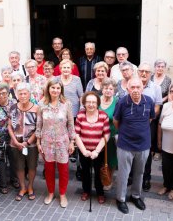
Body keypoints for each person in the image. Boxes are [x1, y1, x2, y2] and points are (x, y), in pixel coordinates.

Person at [114, 78, 155, 214]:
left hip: (143, 145)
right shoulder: (122, 102)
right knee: (123, 174)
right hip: (125, 144)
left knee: (140, 172)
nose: (136, 90)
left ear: (142, 87)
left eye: (138, 87)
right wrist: (127, 132)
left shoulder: (149, 101)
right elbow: (116, 121)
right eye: (133, 87)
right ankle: (120, 199)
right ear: (128, 89)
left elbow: (150, 119)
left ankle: (135, 196)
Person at [36, 79, 75, 208]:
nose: (55, 90)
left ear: (61, 90)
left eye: (58, 88)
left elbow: (70, 123)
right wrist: (38, 141)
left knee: (63, 170)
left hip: (63, 141)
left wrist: (72, 142)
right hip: (47, 142)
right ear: (48, 89)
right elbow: (39, 124)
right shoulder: (41, 104)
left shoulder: (66, 104)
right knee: (49, 169)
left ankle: (63, 194)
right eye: (53, 88)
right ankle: (51, 193)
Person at [75, 92, 110, 204]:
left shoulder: (103, 116)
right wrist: (84, 150)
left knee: (99, 172)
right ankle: (86, 191)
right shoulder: (80, 115)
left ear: (97, 103)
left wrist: (96, 151)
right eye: (88, 102)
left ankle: (100, 193)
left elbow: (106, 135)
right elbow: (76, 134)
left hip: (98, 150)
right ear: (84, 103)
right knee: (85, 172)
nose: (91, 104)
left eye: (93, 102)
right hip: (83, 149)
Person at [8, 83, 39, 202]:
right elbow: (10, 126)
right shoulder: (13, 108)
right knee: (19, 166)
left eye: (25, 93)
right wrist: (15, 141)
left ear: (29, 94)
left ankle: (30, 187)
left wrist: (28, 142)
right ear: (16, 95)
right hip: (16, 143)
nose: (23, 95)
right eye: (20, 93)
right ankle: (22, 187)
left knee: (31, 166)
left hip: (31, 143)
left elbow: (39, 128)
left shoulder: (36, 108)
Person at [138, 62, 163, 192]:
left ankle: (146, 177)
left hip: (149, 122)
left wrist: (149, 119)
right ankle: (132, 176)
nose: (144, 74)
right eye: (141, 71)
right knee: (132, 148)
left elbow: (157, 106)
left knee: (146, 151)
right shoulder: (133, 85)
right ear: (137, 72)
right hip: (133, 123)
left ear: (150, 74)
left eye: (147, 72)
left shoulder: (156, 88)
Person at [0, 82, 17, 194]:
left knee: (13, 159)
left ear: (8, 93)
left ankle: (14, 179)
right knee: (1, 160)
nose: (1, 95)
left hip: (12, 136)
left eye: (4, 93)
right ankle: (3, 184)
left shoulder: (14, 103)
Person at [99, 78, 118, 190]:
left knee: (110, 159)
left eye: (111, 89)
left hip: (110, 135)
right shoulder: (97, 100)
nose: (108, 90)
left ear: (114, 90)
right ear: (102, 89)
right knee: (99, 159)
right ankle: (100, 177)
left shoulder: (117, 101)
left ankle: (108, 179)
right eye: (106, 88)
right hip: (96, 134)